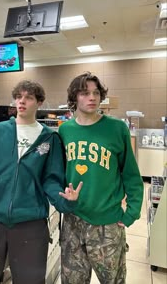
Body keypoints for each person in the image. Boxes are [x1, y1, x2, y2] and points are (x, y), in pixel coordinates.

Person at [0, 80, 82, 284]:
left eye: (28, 97)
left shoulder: (49, 139)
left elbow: (51, 181)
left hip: (31, 224)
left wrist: (66, 202)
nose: (21, 101)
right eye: (18, 96)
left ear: (39, 102)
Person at [58, 72, 144, 284]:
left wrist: (131, 212)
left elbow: (131, 174)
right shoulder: (65, 130)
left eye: (96, 93)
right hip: (72, 221)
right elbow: (60, 172)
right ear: (74, 97)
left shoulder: (116, 129)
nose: (92, 97)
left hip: (107, 223)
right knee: (72, 280)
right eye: (85, 93)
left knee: (113, 280)